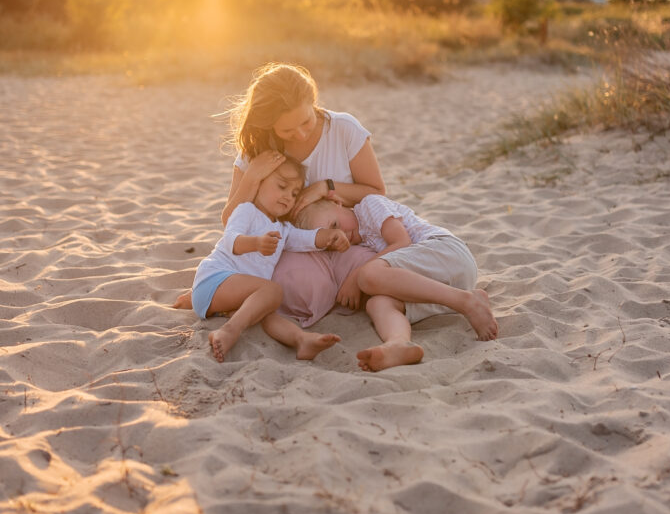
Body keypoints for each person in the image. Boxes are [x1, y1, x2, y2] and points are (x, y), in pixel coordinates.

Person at [220, 63, 385, 327]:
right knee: (295, 287)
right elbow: (231, 222)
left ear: (314, 100)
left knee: (374, 276)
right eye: (287, 130)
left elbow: (376, 192)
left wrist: (325, 186)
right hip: (292, 248)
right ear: (269, 126)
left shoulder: (344, 129)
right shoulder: (258, 149)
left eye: (306, 121)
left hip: (349, 241)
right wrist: (252, 176)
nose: (300, 133)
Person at [173, 157, 351, 362]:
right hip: (215, 278)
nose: (287, 196)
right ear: (259, 184)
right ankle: (230, 330)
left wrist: (329, 236)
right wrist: (256, 243)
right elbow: (230, 239)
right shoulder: (246, 211)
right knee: (272, 291)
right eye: (282, 186)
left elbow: (307, 239)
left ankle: (301, 339)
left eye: (294, 194)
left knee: (267, 312)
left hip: (237, 297)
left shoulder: (283, 229)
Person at [296, 195, 498, 372]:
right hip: (442, 281)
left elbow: (402, 242)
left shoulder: (369, 206)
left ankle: (466, 301)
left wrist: (355, 276)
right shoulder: (362, 240)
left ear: (337, 202)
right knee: (377, 303)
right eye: (331, 239)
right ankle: (399, 343)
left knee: (368, 276)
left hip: (445, 250)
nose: (341, 235)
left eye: (334, 225)